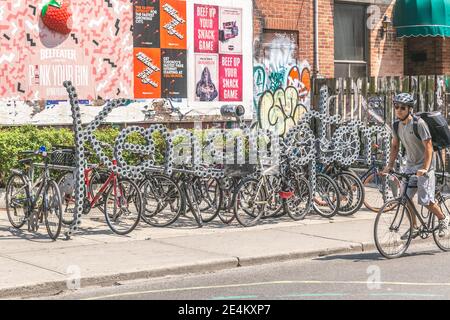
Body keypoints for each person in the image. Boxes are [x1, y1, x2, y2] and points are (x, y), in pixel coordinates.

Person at [382, 93, 449, 238]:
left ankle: (443, 219)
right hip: (411, 165)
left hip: (426, 165)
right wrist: (390, 165)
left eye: (402, 107)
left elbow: (429, 147)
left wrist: (425, 168)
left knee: (425, 200)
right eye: (396, 106)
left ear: (409, 109)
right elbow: (394, 146)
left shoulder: (419, 124)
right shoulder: (396, 125)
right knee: (405, 198)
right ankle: (414, 227)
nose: (399, 110)